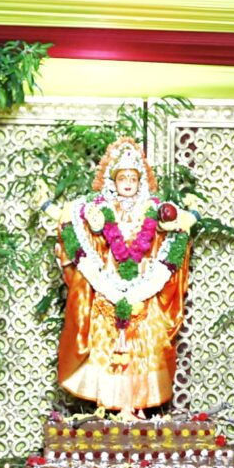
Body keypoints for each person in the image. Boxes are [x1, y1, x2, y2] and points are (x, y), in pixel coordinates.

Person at [36, 137, 196, 413]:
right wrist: (49, 208)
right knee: (106, 346)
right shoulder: (99, 207)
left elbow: (177, 225)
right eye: (122, 178)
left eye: (132, 178)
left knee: (143, 347)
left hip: (144, 286)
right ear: (113, 181)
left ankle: (136, 407)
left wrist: (186, 216)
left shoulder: (153, 207)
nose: (128, 183)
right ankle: (108, 406)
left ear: (140, 181)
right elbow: (73, 219)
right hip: (108, 285)